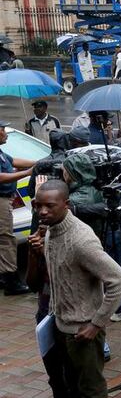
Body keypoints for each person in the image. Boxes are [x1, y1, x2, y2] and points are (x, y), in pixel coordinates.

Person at [29, 179, 121, 398]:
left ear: (66, 205)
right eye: (38, 206)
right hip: (61, 326)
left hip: (84, 330)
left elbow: (120, 281)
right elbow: (57, 279)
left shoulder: (81, 239)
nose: (42, 211)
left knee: (91, 390)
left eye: (49, 206)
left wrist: (96, 323)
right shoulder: (50, 230)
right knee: (71, 385)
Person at [0, 119, 33, 294]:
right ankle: (12, 282)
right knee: (6, 239)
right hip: (1, 200)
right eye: (3, 129)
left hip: (6, 200)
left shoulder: (1, 152)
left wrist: (37, 163)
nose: (6, 133)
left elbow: (15, 161)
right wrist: (26, 174)